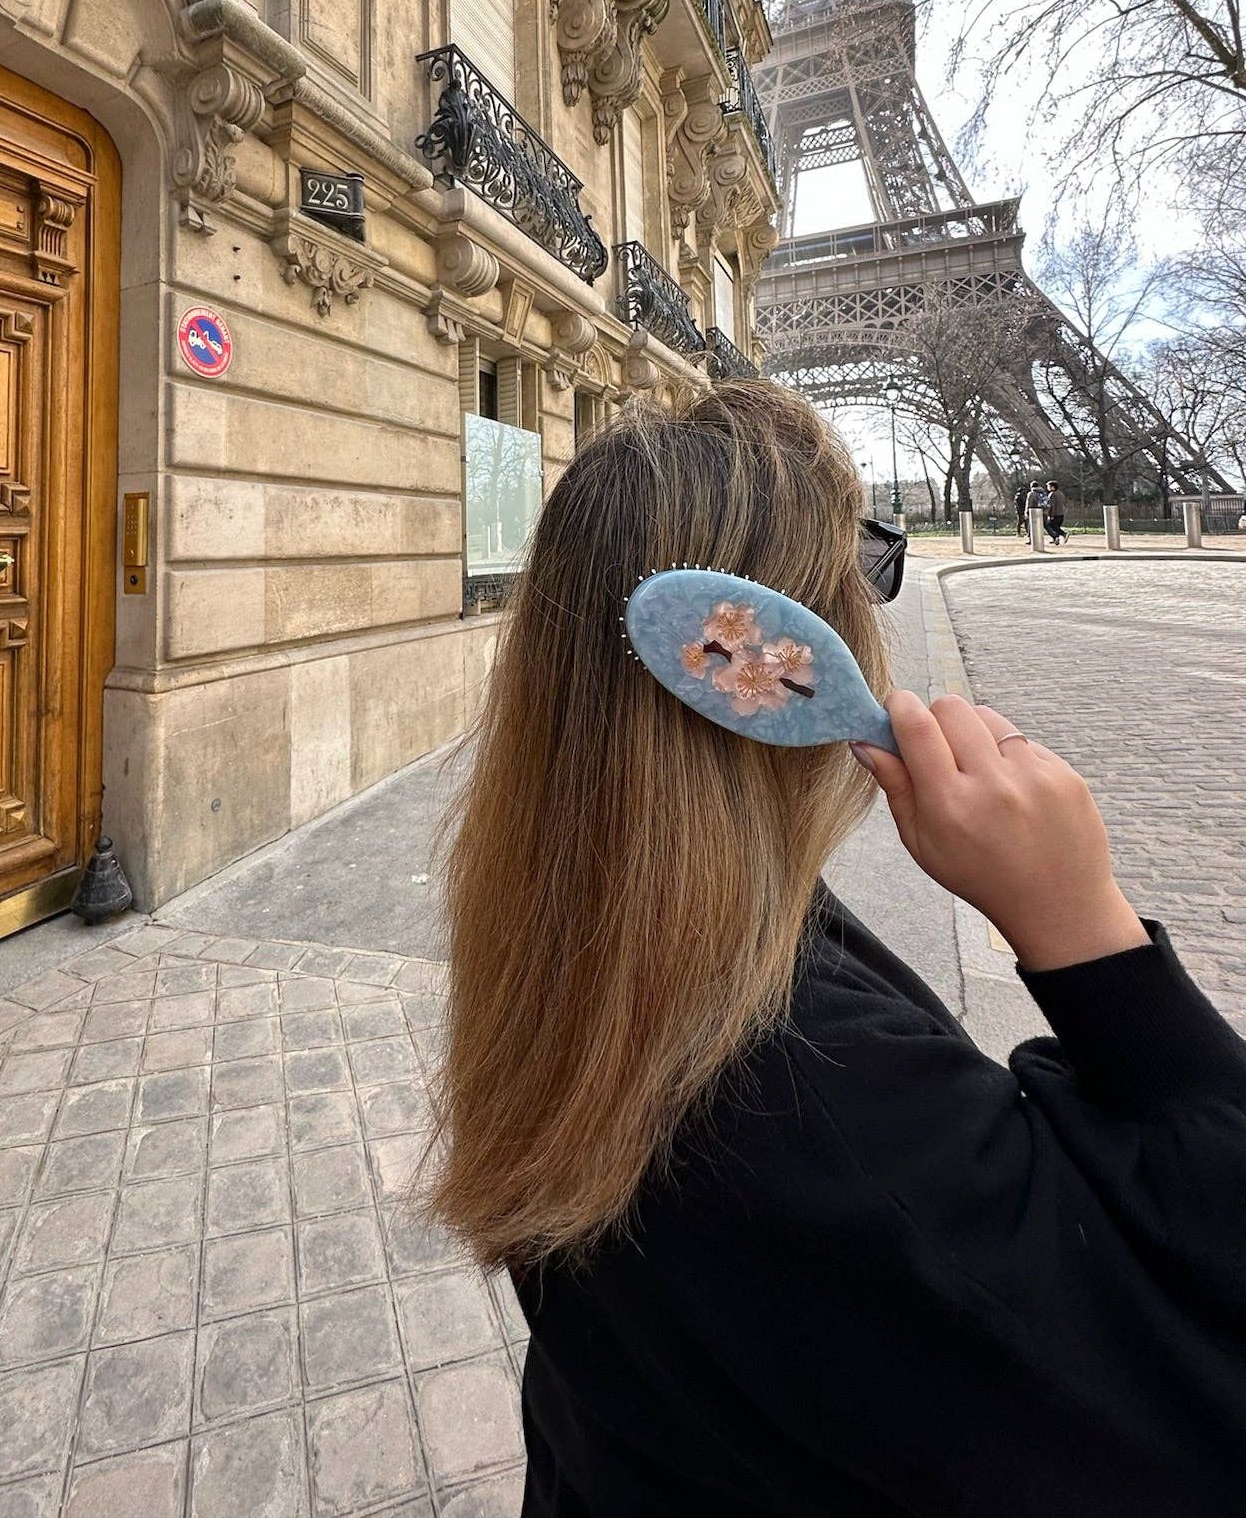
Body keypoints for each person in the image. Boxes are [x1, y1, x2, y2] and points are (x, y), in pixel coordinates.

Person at [432, 382, 1246, 1517]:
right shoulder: (819, 1087)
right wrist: (1089, 935)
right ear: (777, 656)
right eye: (867, 566)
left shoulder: (574, 940)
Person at [1046, 478, 1068, 544]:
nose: (1048, 488)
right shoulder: (1060, 493)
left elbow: (1051, 506)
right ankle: (1056, 539)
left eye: (1049, 486)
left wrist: (1050, 515)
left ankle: (1063, 534)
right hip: (1061, 513)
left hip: (1055, 514)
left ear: (1053, 487)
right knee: (1057, 527)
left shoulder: (1052, 494)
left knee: (1050, 525)